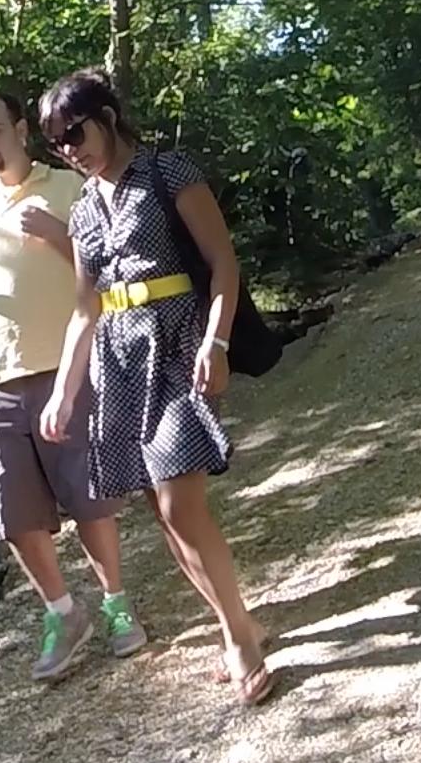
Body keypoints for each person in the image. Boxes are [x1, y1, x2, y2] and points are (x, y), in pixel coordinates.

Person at [35, 69, 277, 707]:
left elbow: (223, 263)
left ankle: (239, 640)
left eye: (74, 131)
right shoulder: (83, 207)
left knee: (179, 503)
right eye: (56, 142)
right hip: (115, 360)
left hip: (176, 345)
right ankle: (239, 621)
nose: (68, 147)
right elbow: (85, 307)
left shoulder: (171, 170)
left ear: (107, 116)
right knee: (160, 512)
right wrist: (64, 390)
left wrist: (215, 343)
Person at [0, 92, 142, 684]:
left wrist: (58, 233)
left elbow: (107, 266)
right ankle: (63, 611)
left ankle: (117, 605)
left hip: (66, 367)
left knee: (89, 499)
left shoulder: (68, 188)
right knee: (13, 511)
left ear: (22, 131)